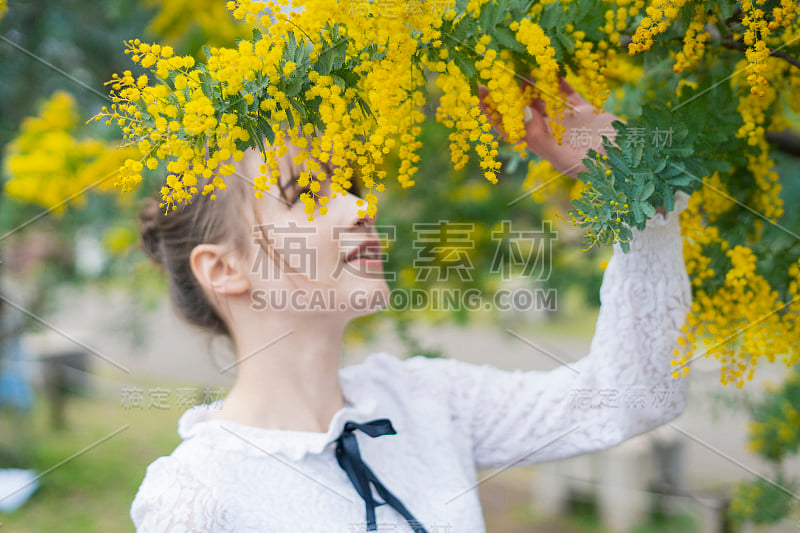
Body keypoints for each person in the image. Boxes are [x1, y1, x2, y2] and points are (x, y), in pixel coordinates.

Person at [129, 76, 693, 532]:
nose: (359, 206)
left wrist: (637, 191)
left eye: (348, 182)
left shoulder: (427, 400)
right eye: (308, 193)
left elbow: (634, 396)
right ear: (223, 268)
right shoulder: (196, 497)